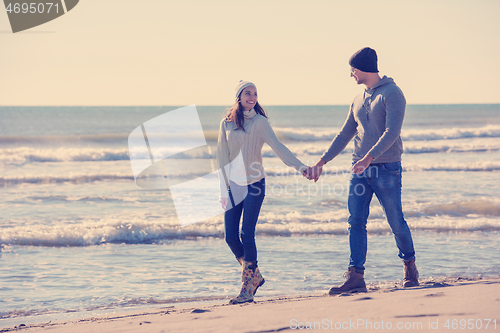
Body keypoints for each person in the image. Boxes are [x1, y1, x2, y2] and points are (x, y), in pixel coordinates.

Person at [308, 47, 419, 294]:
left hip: (386, 168)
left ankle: (409, 267)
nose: (350, 75)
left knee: (395, 221)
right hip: (359, 169)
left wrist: (370, 158)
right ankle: (356, 276)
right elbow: (346, 132)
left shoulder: (393, 93)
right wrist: (322, 161)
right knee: (355, 221)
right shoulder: (358, 98)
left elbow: (392, 132)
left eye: (352, 70)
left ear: (362, 68)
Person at [217, 80, 309, 304]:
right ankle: (254, 275)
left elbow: (278, 147)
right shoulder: (226, 123)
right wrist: (223, 189)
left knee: (246, 234)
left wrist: (301, 167)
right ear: (238, 96)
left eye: (255, 94)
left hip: (255, 183)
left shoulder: (260, 122)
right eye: (248, 93)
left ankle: (247, 287)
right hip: (234, 186)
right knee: (230, 236)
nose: (252, 97)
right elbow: (221, 157)